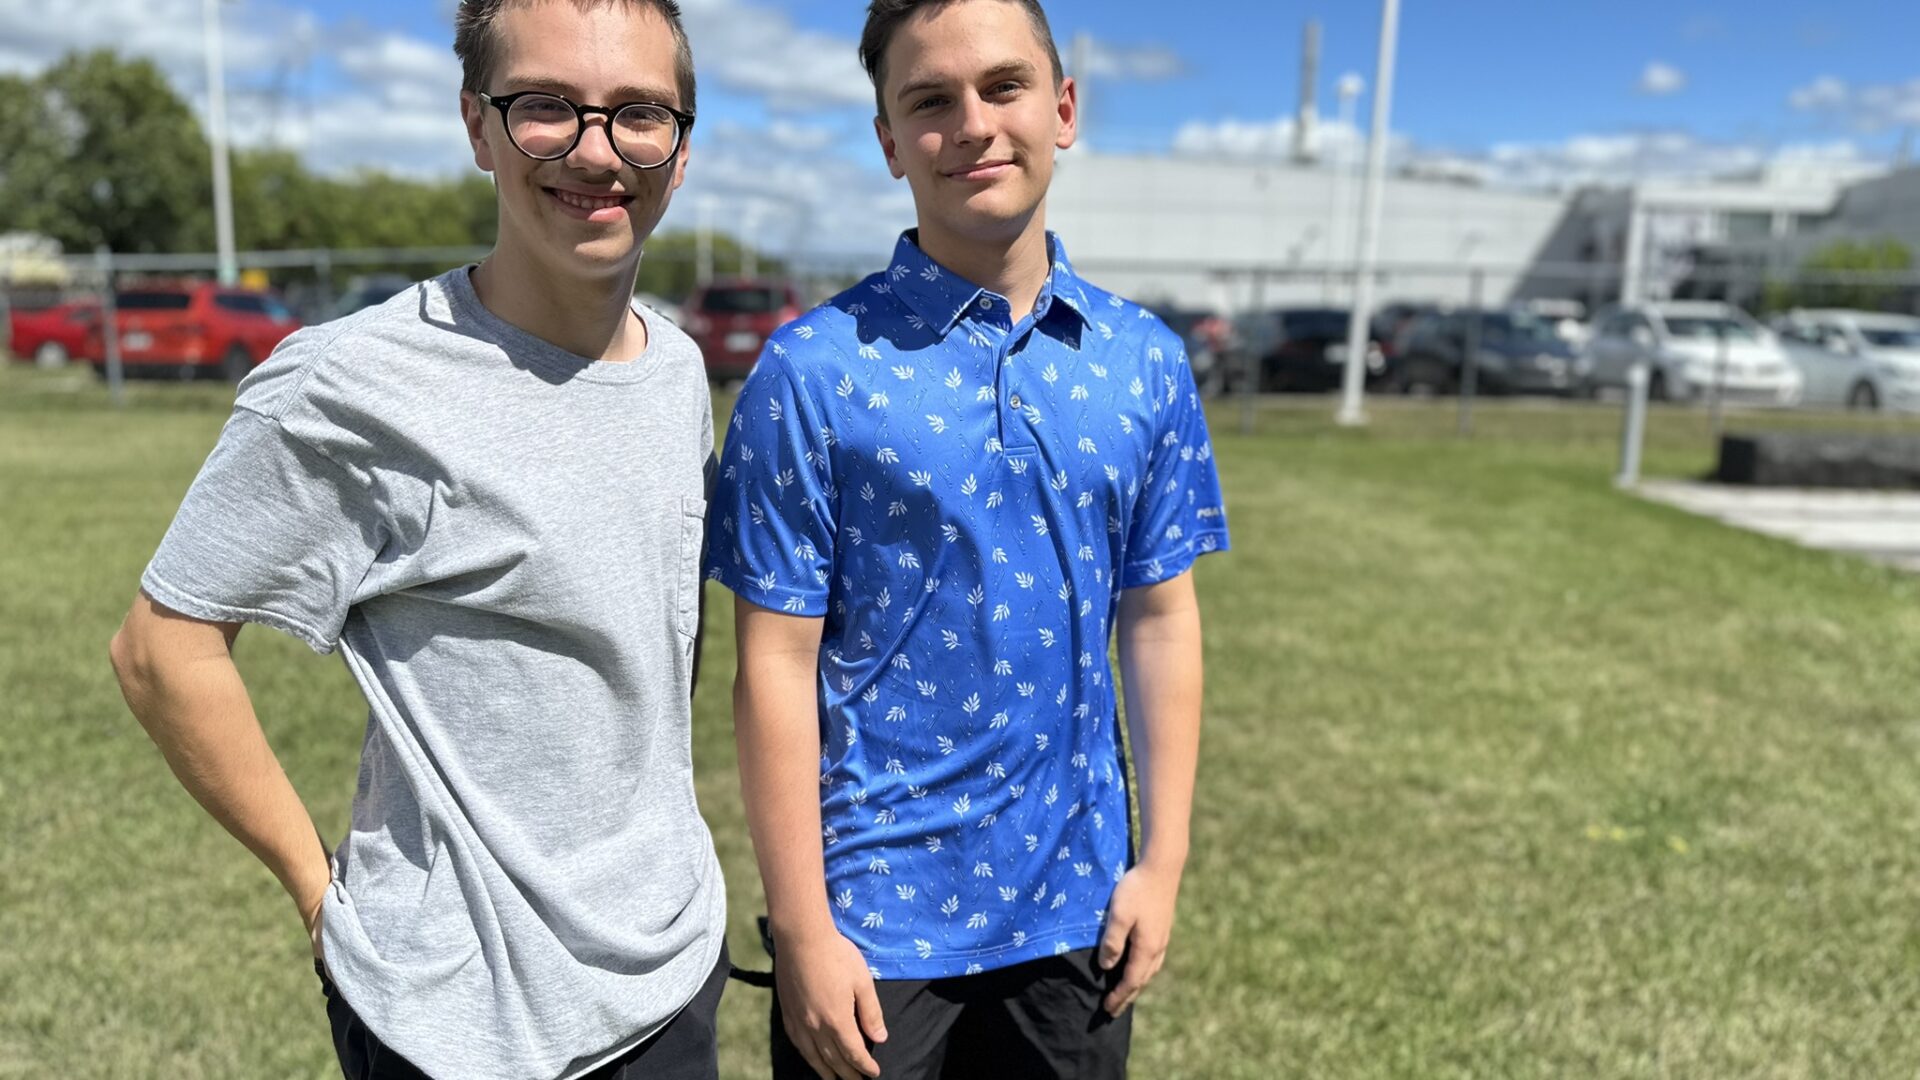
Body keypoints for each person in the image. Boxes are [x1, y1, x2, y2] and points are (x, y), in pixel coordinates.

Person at [107, 2, 727, 1077]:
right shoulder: (351, 383)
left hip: (670, 982)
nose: (595, 150)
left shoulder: (677, 375)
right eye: (545, 109)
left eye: (638, 114)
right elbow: (162, 649)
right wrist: (315, 887)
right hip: (453, 1022)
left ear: (680, 148)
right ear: (477, 127)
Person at [704, 1, 1230, 1076]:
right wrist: (802, 925)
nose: (975, 125)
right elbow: (774, 662)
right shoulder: (811, 373)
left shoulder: (1142, 362)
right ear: (890, 141)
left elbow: (1162, 621)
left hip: (1077, 915)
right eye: (931, 101)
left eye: (1004, 87)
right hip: (871, 923)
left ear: (1064, 108)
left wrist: (1163, 862)